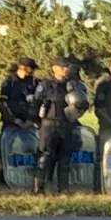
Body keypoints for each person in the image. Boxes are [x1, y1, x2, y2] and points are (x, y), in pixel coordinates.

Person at [33, 57, 85, 195]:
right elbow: (35, 105)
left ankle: (63, 190)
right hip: (49, 124)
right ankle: (39, 189)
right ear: (54, 68)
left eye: (67, 67)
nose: (65, 69)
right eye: (62, 67)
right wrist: (39, 123)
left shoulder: (72, 85)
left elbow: (82, 103)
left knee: (65, 158)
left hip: (67, 124)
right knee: (44, 157)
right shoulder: (45, 85)